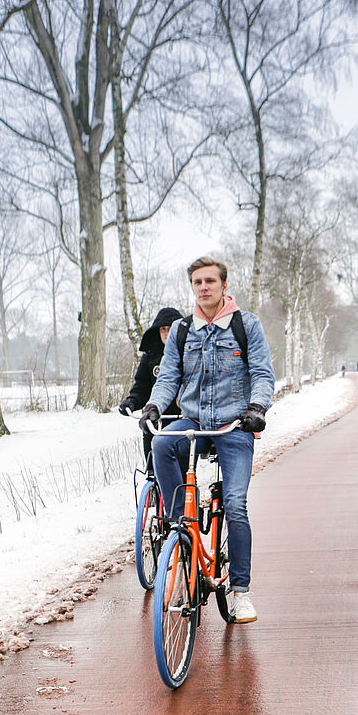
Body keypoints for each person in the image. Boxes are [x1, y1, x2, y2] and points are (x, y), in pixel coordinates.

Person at [142, 256, 274, 624]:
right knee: (162, 444)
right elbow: (168, 376)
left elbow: (263, 373)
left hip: (234, 425)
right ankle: (178, 524)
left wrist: (257, 407)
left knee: (234, 504)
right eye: (198, 282)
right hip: (194, 421)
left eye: (210, 281)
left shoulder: (246, 326)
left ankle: (241, 592)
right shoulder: (183, 331)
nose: (204, 287)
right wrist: (154, 405)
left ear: (223, 286)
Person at [118, 306, 183, 469]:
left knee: (182, 473)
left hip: (182, 420)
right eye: (163, 329)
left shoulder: (189, 354)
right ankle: (152, 492)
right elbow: (142, 385)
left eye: (171, 329)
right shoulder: (150, 356)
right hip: (155, 420)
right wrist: (132, 402)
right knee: (152, 468)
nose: (167, 333)